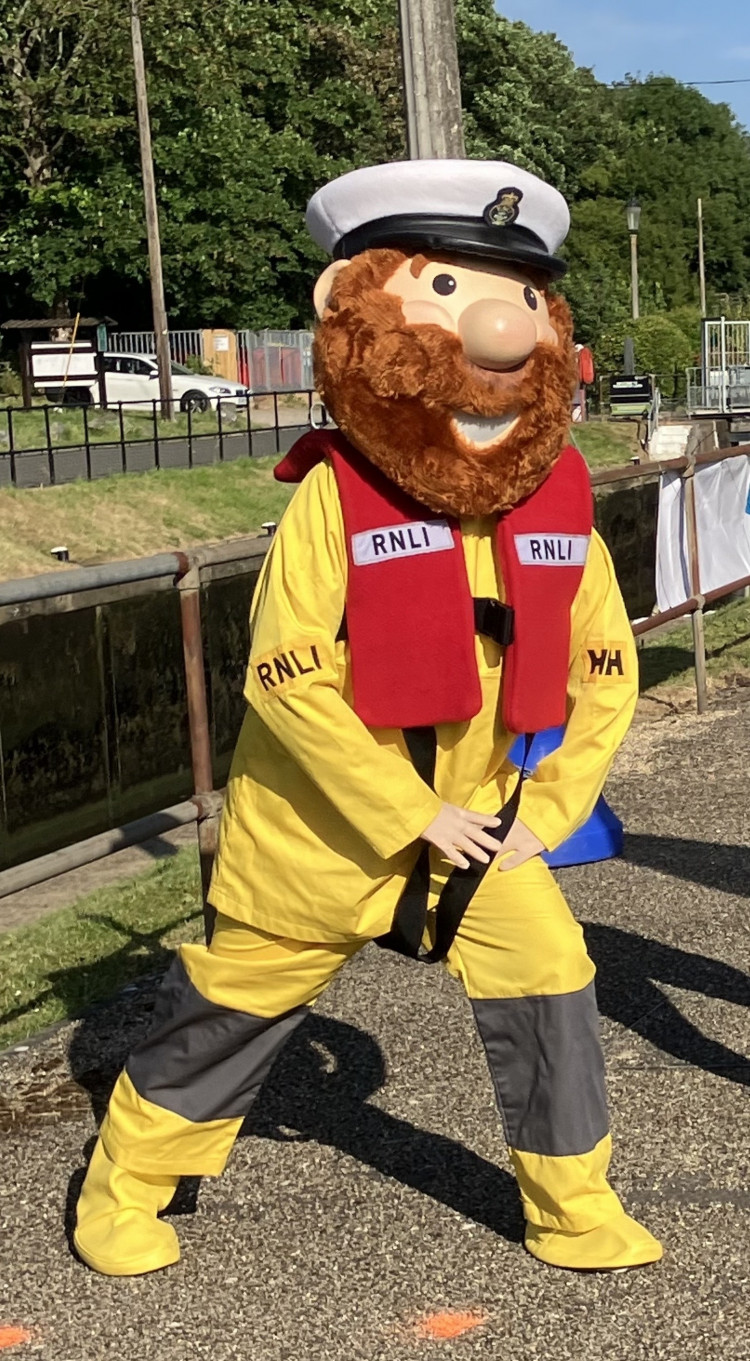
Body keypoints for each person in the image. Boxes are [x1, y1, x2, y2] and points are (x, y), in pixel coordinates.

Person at [74, 159, 662, 1276]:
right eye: (448, 288)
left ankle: (575, 1210)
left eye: (524, 296)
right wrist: (408, 811)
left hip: (484, 829)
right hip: (320, 835)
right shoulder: (332, 499)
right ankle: (128, 1183)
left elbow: (604, 666)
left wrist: (549, 808)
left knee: (553, 984)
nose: (502, 327)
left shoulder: (557, 503)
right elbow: (286, 672)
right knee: (234, 1008)